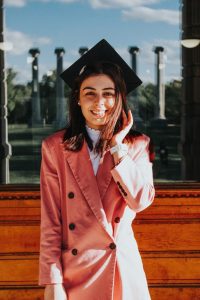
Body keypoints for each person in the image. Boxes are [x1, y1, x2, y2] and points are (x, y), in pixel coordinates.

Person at [39, 39, 155, 300]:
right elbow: (51, 222)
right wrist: (52, 281)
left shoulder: (138, 145)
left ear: (119, 99)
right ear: (78, 99)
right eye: (89, 93)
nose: (99, 102)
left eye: (108, 94)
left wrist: (116, 147)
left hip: (122, 271)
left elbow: (139, 202)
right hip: (74, 273)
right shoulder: (54, 147)